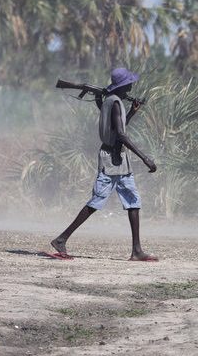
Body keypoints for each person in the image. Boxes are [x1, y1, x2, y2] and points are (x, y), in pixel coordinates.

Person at [50, 67, 159, 261]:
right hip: (111, 160)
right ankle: (61, 239)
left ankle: (136, 251)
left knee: (133, 202)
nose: (132, 86)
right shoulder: (115, 103)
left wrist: (132, 112)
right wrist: (145, 158)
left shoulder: (110, 101)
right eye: (129, 83)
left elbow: (118, 127)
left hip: (120, 160)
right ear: (124, 86)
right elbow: (121, 135)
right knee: (96, 202)